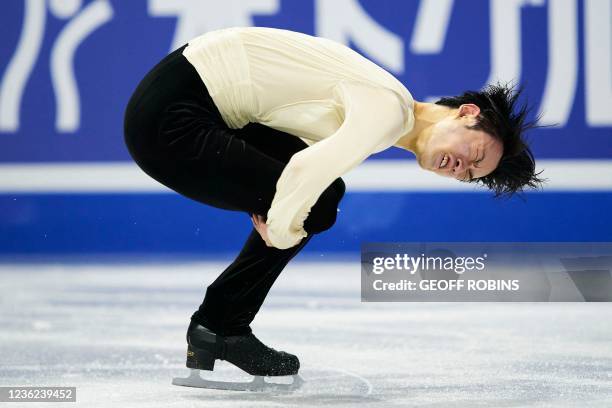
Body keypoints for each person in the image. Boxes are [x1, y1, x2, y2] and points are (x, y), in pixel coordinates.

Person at [123, 26, 542, 381]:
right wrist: (283, 230)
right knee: (316, 203)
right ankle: (220, 326)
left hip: (184, 93)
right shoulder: (386, 110)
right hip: (171, 117)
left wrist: (284, 209)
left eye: (469, 174)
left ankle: (219, 326)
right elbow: (304, 172)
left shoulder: (389, 104)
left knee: (323, 197)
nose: (461, 166)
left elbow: (297, 167)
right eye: (475, 152)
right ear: (467, 113)